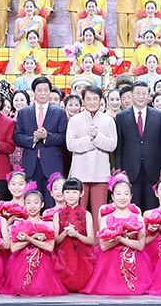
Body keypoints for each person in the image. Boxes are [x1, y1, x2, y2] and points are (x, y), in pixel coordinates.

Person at [66, 86, 117, 229]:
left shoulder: (108, 120)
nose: (92, 102)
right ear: (83, 101)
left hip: (100, 174)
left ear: (101, 100)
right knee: (78, 213)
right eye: (88, 99)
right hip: (79, 173)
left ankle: (98, 241)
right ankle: (78, 240)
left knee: (99, 214)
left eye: (95, 99)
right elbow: (70, 145)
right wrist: (90, 139)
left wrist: (97, 137)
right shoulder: (75, 120)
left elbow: (112, 145)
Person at [114, 82, 161, 209]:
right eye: (137, 93)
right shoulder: (122, 117)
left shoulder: (159, 116)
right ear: (132, 95)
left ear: (149, 96)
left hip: (153, 169)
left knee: (152, 207)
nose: (141, 96)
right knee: (133, 207)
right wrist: (118, 170)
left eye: (144, 93)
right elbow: (119, 147)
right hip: (130, 170)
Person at [13, 77, 67, 206]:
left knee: (51, 203)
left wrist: (47, 136)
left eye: (45, 90)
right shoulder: (24, 112)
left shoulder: (59, 112)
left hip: (52, 163)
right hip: (31, 163)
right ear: (34, 92)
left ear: (50, 91)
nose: (43, 93)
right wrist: (33, 139)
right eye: (39, 90)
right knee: (32, 201)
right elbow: (17, 137)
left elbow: (64, 137)